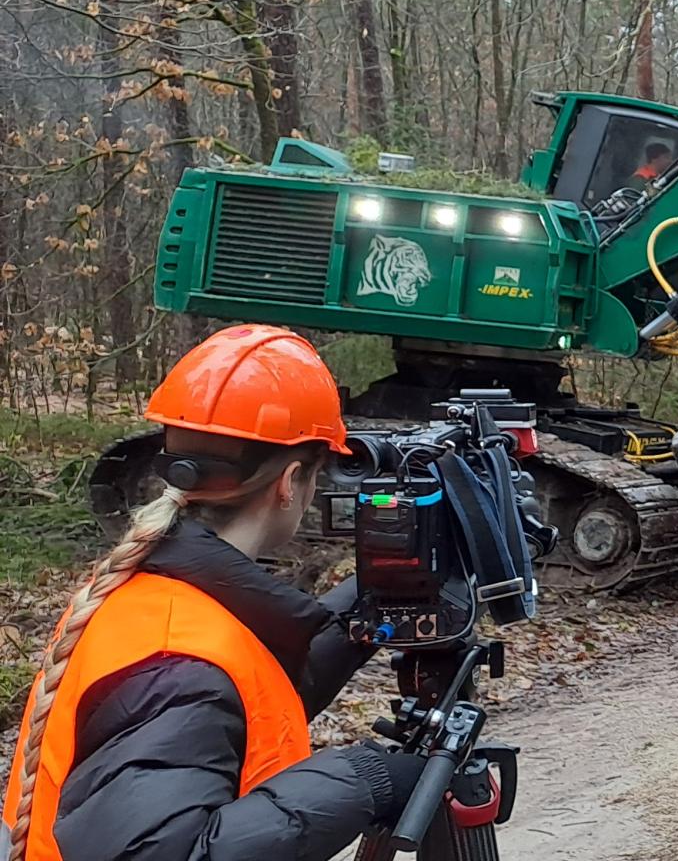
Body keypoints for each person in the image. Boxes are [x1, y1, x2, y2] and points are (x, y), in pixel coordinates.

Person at [4, 325, 427, 861]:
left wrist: (368, 600)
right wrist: (363, 780)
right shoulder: (178, 663)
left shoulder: (150, 588)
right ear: (290, 480)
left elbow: (243, 705)